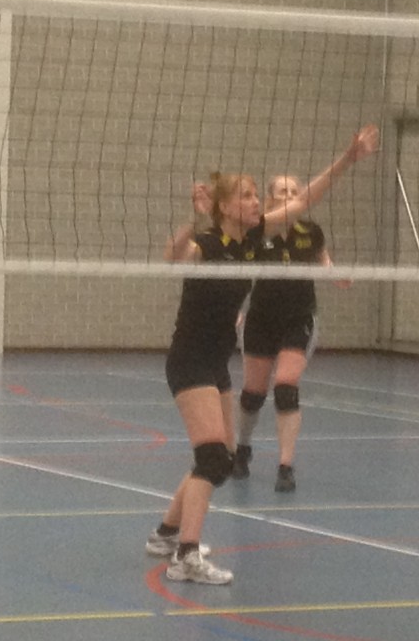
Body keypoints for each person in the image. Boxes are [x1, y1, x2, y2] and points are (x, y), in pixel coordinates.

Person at [145, 125, 379, 585]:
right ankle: (186, 557)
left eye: (257, 195)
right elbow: (172, 259)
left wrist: (348, 158)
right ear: (226, 206)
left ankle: (166, 534)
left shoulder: (254, 239)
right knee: (213, 459)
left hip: (216, 362)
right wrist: (194, 219)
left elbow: (305, 200)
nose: (257, 203)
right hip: (190, 361)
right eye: (248, 196)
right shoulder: (208, 244)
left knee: (221, 457)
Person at [232, 175, 349, 493]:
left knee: (285, 387)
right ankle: (242, 448)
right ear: (270, 198)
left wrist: (336, 275)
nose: (289, 194)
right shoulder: (258, 232)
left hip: (298, 319)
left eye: (294, 191)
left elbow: (324, 260)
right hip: (261, 320)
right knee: (253, 394)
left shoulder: (310, 232)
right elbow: (240, 273)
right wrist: (238, 308)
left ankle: (285, 466)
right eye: (283, 190)